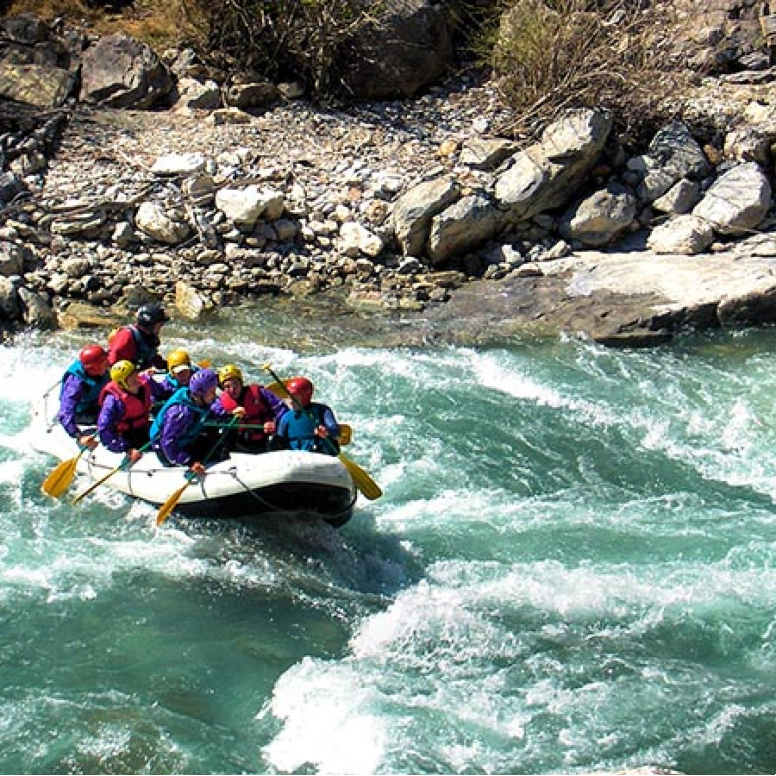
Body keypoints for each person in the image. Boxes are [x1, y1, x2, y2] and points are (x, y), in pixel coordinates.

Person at [150, 368, 243, 476]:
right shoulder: (180, 414)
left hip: (186, 438)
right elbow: (168, 444)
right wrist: (189, 462)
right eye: (212, 392)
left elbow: (213, 408)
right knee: (210, 451)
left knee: (217, 442)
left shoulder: (198, 399)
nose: (214, 395)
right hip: (166, 450)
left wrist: (229, 414)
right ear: (200, 394)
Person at [214, 364, 288, 453]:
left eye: (235, 384)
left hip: (267, 439)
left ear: (241, 383)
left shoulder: (259, 393)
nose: (232, 389)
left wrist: (275, 423)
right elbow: (215, 414)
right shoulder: (221, 402)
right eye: (227, 386)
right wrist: (230, 415)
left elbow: (282, 410)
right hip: (241, 443)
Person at [97, 360, 156, 463]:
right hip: (126, 435)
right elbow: (104, 428)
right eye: (132, 378)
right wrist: (126, 449)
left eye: (135, 375)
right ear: (122, 383)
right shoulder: (112, 401)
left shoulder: (142, 384)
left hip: (144, 426)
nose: (137, 380)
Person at [57, 344, 110, 450]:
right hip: (81, 412)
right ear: (95, 368)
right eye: (105, 363)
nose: (108, 364)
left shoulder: (100, 369)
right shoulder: (77, 384)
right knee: (110, 418)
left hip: (96, 402)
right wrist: (79, 436)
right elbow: (65, 412)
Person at [275, 376, 341, 455]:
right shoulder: (286, 417)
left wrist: (326, 432)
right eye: (289, 397)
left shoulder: (322, 410)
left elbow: (335, 430)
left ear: (305, 397)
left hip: (319, 455)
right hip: (296, 458)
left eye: (295, 397)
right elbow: (278, 442)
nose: (291, 401)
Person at [108, 302, 170, 371]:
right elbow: (114, 363)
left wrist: (167, 366)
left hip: (138, 374)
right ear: (149, 325)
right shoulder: (127, 337)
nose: (161, 326)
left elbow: (151, 356)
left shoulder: (149, 336)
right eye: (160, 324)